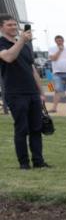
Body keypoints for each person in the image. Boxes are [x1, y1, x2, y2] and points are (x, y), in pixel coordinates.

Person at [0, 15, 50, 170]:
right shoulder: (2, 43)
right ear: (1, 27)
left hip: (32, 93)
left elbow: (32, 69)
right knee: (22, 128)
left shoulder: (26, 45)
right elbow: (8, 57)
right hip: (15, 93)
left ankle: (38, 161)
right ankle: (24, 163)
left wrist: (41, 91)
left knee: (36, 128)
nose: (14, 27)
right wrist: (22, 40)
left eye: (15, 24)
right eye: (9, 25)